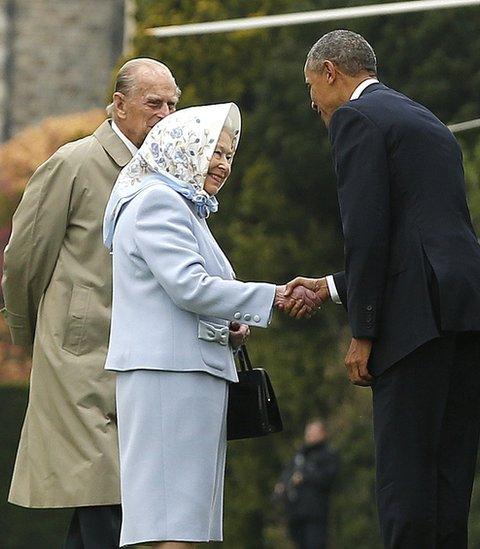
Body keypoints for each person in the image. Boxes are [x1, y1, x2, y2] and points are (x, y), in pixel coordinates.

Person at [286, 30, 480, 549]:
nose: (313, 104)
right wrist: (329, 287)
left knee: (406, 484)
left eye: (311, 89)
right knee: (449, 484)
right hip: (468, 311)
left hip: (417, 323)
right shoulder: (426, 119)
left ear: (331, 73)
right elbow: (417, 237)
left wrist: (364, 331)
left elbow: (367, 233)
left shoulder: (354, 118)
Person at [103, 102, 320, 548]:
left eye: (228, 155)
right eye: (213, 152)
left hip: (185, 375)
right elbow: (190, 285)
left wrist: (231, 323)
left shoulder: (184, 207)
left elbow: (186, 295)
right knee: (171, 525)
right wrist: (271, 296)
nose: (222, 164)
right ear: (183, 148)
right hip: (169, 377)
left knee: (182, 524)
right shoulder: (158, 201)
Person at [1, 57, 180, 548]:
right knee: (106, 494)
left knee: (110, 500)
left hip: (142, 354)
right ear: (119, 105)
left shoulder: (169, 175)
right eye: (153, 103)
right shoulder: (73, 163)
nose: (165, 114)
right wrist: (33, 332)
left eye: (172, 104)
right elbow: (24, 259)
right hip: (82, 356)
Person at [275, 420, 339, 549]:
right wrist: (282, 485)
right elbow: (288, 472)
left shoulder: (327, 454)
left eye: (313, 432)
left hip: (315, 513)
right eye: (308, 432)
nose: (309, 435)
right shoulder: (301, 455)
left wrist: (305, 477)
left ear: (322, 433)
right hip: (296, 513)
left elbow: (328, 478)